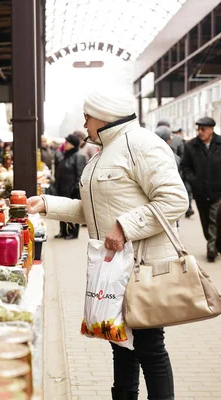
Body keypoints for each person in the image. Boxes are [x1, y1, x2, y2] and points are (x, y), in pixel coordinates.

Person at [27, 85, 187, 400]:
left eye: (88, 117)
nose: (85, 124)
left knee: (149, 346)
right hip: (113, 269)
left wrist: (125, 227)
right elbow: (93, 212)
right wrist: (46, 205)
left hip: (142, 267)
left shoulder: (142, 144)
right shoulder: (105, 151)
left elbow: (174, 200)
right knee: (120, 343)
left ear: (103, 117)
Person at [180, 116, 221, 262]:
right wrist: (193, 181)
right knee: (205, 222)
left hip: (218, 192)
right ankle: (213, 243)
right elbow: (185, 167)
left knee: (215, 220)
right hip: (200, 192)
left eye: (203, 129)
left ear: (211, 129)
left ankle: (212, 248)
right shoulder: (191, 146)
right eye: (198, 129)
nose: (200, 131)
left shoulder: (220, 143)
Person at [54, 134, 86, 239]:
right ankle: (63, 231)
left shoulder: (79, 156)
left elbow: (80, 175)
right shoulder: (64, 155)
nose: (65, 144)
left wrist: (75, 189)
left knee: (72, 212)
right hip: (62, 188)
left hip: (71, 189)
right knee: (61, 210)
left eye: (67, 142)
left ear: (73, 144)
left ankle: (73, 232)